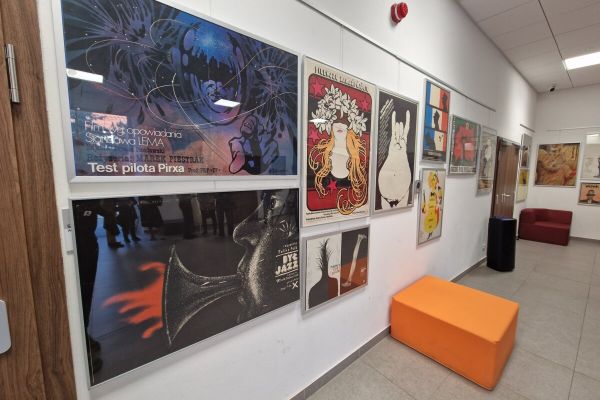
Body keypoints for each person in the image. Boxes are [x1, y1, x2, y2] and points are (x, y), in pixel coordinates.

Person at [73, 199, 103, 374]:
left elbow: (104, 209)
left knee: (85, 295)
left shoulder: (90, 201)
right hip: (74, 251)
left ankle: (82, 334)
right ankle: (78, 352)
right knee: (74, 296)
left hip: (88, 250)